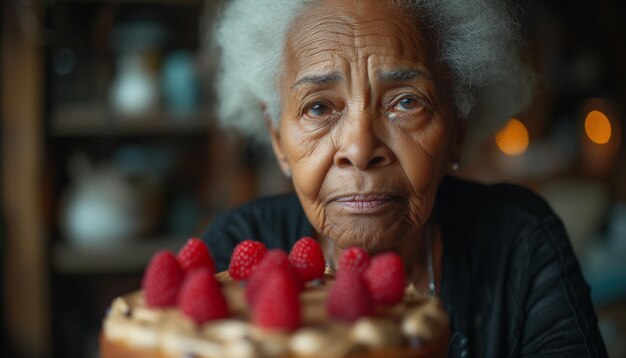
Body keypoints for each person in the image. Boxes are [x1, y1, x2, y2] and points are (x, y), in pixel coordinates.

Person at [203, 0, 608, 356]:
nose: (360, 150)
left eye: (406, 101)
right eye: (319, 107)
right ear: (277, 139)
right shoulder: (241, 242)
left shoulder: (519, 239)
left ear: (457, 132)